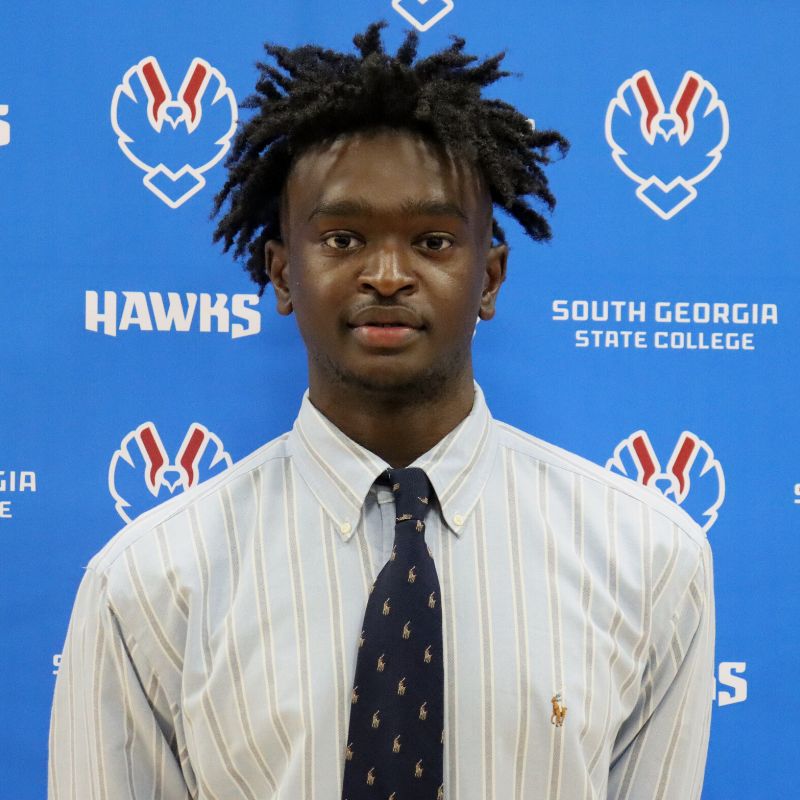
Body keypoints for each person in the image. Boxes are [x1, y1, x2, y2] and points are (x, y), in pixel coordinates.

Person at [49, 22, 714, 799]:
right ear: (281, 273)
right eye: (342, 238)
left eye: (433, 241)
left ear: (490, 278)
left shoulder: (648, 559)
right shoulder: (151, 581)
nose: (389, 274)